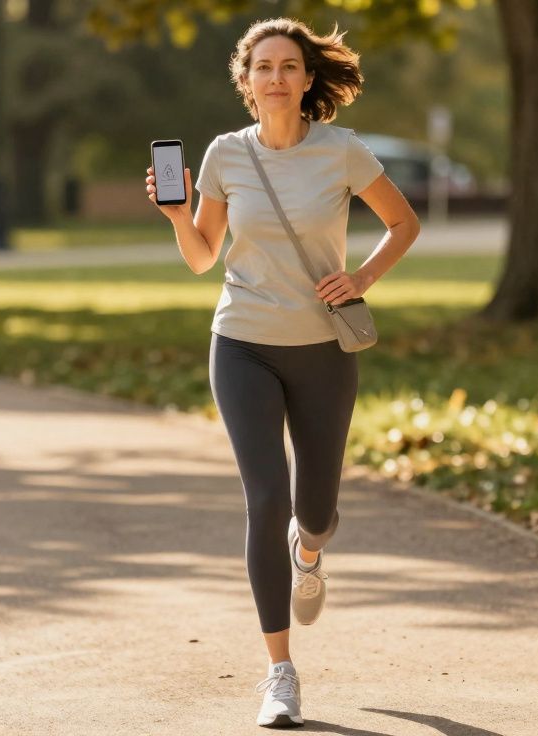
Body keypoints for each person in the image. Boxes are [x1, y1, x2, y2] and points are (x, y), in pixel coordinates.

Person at [145, 17, 420, 729]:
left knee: (314, 510)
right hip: (242, 344)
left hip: (324, 350)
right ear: (246, 82)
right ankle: (280, 672)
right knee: (265, 498)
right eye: (262, 66)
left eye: (288, 66)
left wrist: (360, 278)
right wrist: (178, 216)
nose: (275, 77)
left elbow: (404, 224)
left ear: (306, 80)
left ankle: (313, 546)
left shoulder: (342, 151)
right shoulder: (223, 156)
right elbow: (204, 256)